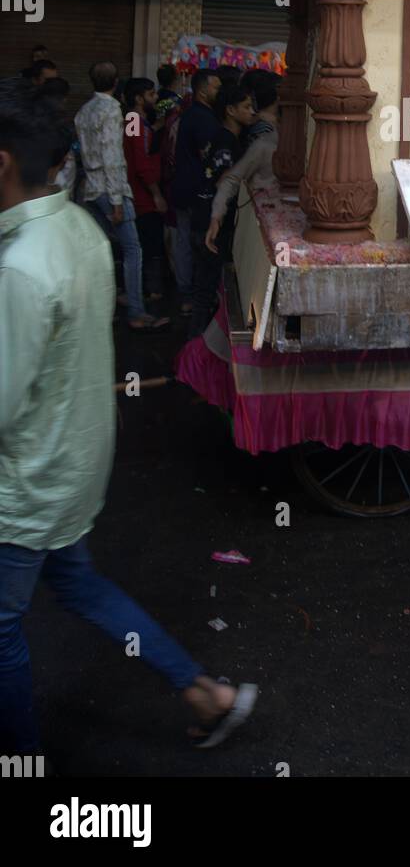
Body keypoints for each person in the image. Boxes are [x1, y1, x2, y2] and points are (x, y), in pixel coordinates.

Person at [0, 79, 257, 755]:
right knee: (80, 585)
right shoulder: (76, 229)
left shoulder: (22, 266)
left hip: (22, 491)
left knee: (2, 634)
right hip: (69, 471)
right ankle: (205, 691)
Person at [75, 62, 168, 332]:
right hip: (110, 189)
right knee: (132, 250)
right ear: (116, 83)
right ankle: (137, 311)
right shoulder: (117, 112)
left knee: (104, 248)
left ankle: (104, 305)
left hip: (90, 189)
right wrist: (117, 200)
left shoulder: (84, 111)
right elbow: (115, 157)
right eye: (150, 95)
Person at [187, 82, 255, 336]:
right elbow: (224, 184)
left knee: (204, 290)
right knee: (206, 292)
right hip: (211, 225)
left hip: (204, 219)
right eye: (246, 107)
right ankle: (195, 354)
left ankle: (195, 351)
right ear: (230, 110)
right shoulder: (226, 142)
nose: (252, 112)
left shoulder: (223, 138)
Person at [170, 70, 222, 331]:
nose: (219, 91)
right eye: (216, 87)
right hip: (194, 191)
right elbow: (208, 156)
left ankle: (185, 293)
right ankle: (190, 295)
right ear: (203, 91)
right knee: (193, 243)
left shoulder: (191, 114)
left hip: (182, 187)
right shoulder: (202, 118)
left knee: (184, 240)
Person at [206, 72, 280, 255]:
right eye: (246, 107)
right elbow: (227, 179)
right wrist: (217, 215)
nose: (251, 111)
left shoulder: (247, 136)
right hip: (230, 217)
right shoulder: (261, 140)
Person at [123, 77, 168, 302]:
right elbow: (140, 162)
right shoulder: (133, 120)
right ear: (139, 98)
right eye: (151, 95)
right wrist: (157, 195)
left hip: (139, 192)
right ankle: (152, 291)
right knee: (149, 244)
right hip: (142, 195)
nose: (156, 98)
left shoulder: (136, 121)